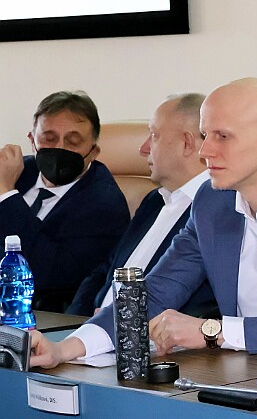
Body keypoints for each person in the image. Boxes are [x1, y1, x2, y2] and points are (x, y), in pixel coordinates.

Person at [30, 77, 257, 367]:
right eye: (205, 135)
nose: (205, 151)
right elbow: (155, 292)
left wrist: (212, 331)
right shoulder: (211, 202)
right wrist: (65, 348)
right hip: (250, 374)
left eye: (223, 136)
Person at [66, 93, 216, 318]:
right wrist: (76, 323)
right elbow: (105, 270)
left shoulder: (216, 212)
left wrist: (111, 324)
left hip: (148, 335)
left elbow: (198, 306)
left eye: (154, 135)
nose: (143, 149)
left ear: (187, 143)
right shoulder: (154, 201)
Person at [0, 90, 130, 311]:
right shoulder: (16, 171)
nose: (59, 149)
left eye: (73, 142)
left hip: (35, 313)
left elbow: (48, 273)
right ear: (32, 140)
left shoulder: (104, 205)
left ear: (94, 151)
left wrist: (6, 195)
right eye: (49, 139)